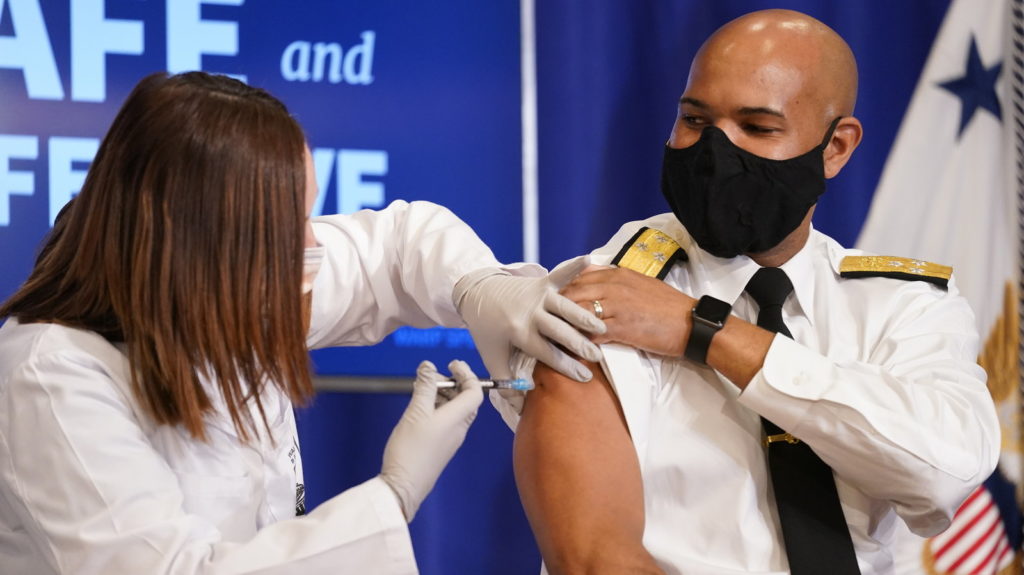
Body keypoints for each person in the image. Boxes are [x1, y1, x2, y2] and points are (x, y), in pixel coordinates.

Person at [0, 71, 606, 574]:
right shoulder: (50, 374)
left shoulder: (226, 295)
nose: (315, 247)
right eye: (289, 229)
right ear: (201, 244)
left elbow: (397, 247)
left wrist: (483, 288)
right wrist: (393, 494)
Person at [507, 9, 1001, 575]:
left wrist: (705, 332)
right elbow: (593, 558)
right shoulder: (612, 286)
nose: (714, 153)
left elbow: (945, 473)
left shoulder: (900, 301)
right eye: (694, 120)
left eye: (758, 128)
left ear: (836, 147)